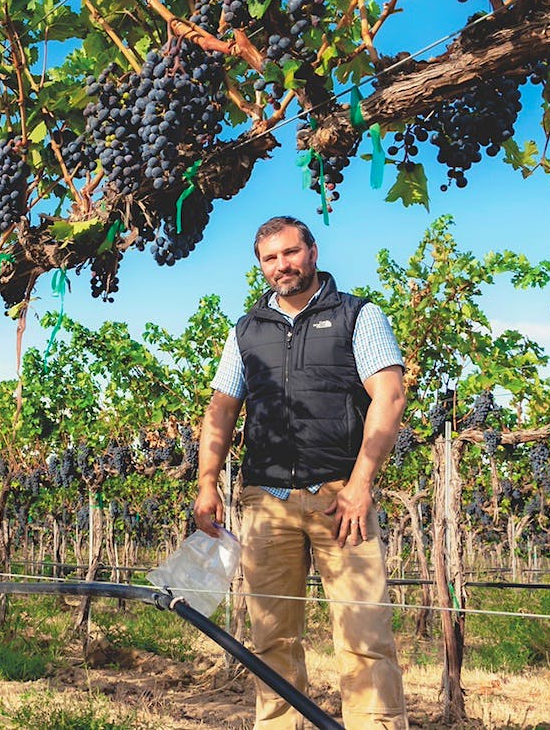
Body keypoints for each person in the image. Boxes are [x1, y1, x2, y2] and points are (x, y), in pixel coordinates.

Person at [193, 215, 409, 730]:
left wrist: (361, 486)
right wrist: (207, 480)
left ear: (312, 251)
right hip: (266, 500)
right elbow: (221, 408)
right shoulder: (246, 329)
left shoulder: (359, 315)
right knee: (271, 640)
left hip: (341, 499)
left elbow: (390, 394)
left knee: (365, 636)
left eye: (290, 253)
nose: (281, 266)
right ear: (260, 265)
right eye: (270, 258)